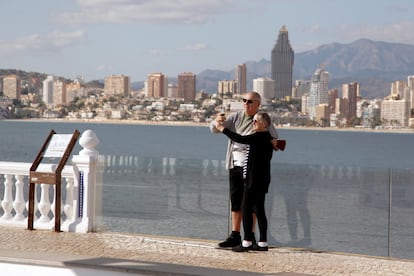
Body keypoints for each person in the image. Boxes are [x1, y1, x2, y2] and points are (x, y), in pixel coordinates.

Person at [209, 92, 279, 248]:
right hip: (235, 165)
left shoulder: (262, 120)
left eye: (250, 101)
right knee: (236, 200)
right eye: (244, 101)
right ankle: (236, 235)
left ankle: (250, 237)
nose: (246, 104)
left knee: (251, 204)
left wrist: (275, 143)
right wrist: (216, 122)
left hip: (251, 168)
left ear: (258, 104)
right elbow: (214, 129)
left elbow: (273, 139)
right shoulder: (237, 116)